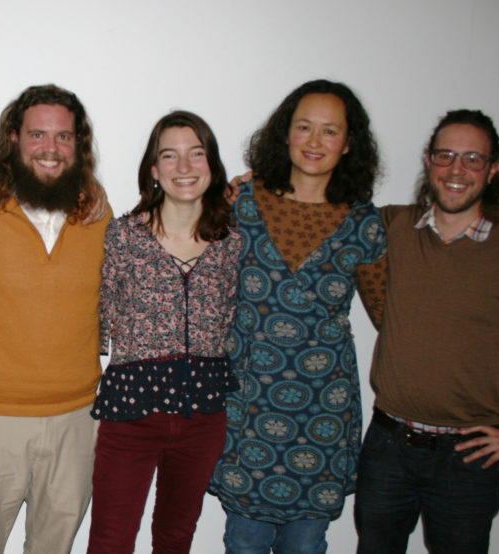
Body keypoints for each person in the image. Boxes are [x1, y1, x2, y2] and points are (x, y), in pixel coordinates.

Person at [354, 109, 499, 554]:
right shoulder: (392, 228)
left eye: (473, 159)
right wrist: (250, 185)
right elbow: (325, 211)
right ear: (428, 161)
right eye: (446, 156)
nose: (457, 170)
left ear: (492, 170)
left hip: (468, 460)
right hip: (387, 447)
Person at [207, 79, 387, 553]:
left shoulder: (364, 223)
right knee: (243, 541)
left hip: (321, 416)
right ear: (284, 133)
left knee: (307, 546)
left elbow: (393, 315)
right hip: (248, 408)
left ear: (349, 144)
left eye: (330, 131)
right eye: (304, 127)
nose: (313, 141)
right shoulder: (240, 204)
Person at [0, 84, 110, 554]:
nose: (50, 149)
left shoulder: (98, 212)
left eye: (64, 137)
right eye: (38, 134)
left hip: (79, 415)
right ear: (14, 138)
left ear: (78, 144)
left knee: (54, 547)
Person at [86, 111, 241, 553]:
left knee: (176, 538)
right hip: (132, 412)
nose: (184, 167)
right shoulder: (123, 236)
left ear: (211, 164)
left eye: (196, 154)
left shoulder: (233, 242)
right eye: (169, 156)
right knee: (111, 540)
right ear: (154, 170)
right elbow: (99, 315)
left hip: (203, 416)